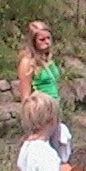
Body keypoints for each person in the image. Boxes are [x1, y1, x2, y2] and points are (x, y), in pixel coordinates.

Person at [17, 20, 72, 163]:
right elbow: (25, 95)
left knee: (57, 148)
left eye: (48, 38)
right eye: (42, 39)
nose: (47, 42)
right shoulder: (27, 62)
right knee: (44, 148)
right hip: (40, 110)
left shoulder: (48, 59)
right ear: (33, 41)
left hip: (54, 107)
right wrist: (30, 119)